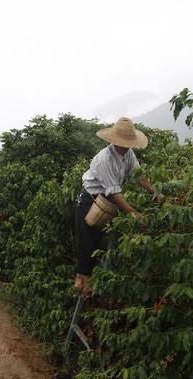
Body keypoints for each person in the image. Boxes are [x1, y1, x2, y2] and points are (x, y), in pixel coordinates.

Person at [74, 117, 164, 294]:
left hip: (104, 203)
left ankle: (87, 288)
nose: (127, 146)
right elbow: (114, 194)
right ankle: (82, 287)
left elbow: (140, 176)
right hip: (89, 201)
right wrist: (134, 213)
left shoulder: (128, 153)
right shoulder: (104, 160)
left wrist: (155, 191)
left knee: (97, 244)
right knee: (87, 246)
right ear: (115, 141)